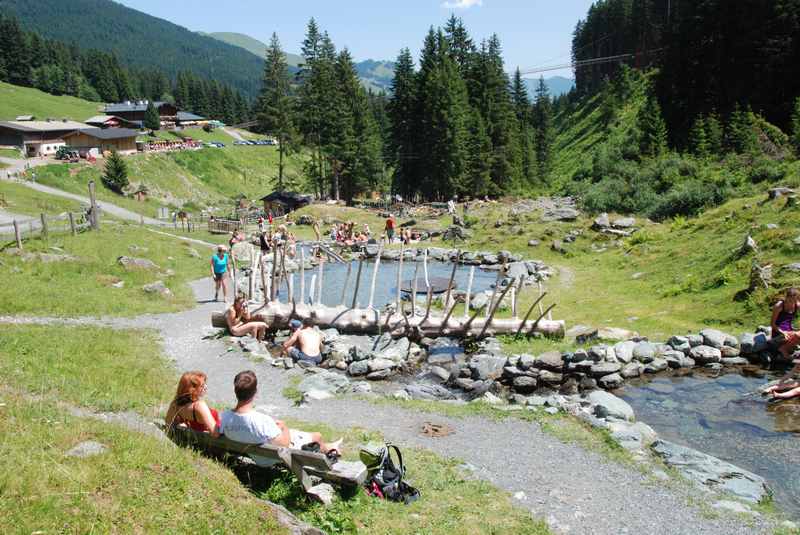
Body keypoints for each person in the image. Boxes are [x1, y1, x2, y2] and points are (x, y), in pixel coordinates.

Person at [219, 370, 342, 455]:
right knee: (317, 436)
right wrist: (284, 427)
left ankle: (330, 446)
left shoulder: (225, 417)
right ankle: (329, 450)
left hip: (250, 452)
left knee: (299, 434)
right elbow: (284, 445)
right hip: (269, 458)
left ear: (235, 391)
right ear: (255, 392)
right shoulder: (261, 420)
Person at [165, 371, 220, 435]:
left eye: (205, 384)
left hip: (194, 438)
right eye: (202, 386)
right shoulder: (199, 405)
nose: (206, 387)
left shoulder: (175, 404)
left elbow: (168, 425)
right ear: (192, 389)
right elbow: (215, 433)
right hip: (216, 441)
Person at [771, 288, 800, 359]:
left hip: (790, 331)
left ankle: (788, 348)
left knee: (797, 334)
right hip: (779, 333)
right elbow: (772, 324)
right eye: (790, 300)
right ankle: (783, 349)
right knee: (797, 335)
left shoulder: (797, 305)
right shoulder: (778, 306)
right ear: (786, 297)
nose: (791, 302)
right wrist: (783, 332)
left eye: (794, 300)